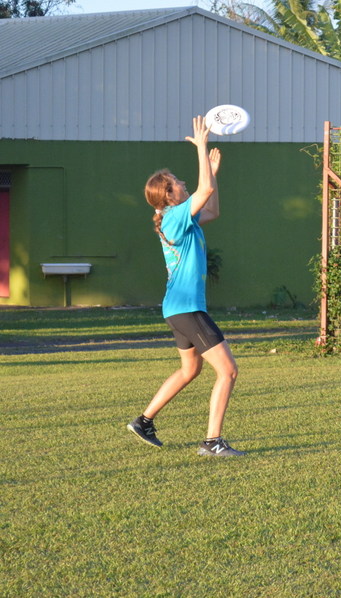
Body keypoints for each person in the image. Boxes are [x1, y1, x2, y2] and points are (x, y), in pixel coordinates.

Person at [127, 115, 243, 456]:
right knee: (228, 371)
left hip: (178, 309)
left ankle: (144, 421)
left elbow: (213, 208)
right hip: (187, 309)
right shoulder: (175, 215)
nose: (183, 183)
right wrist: (202, 148)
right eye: (177, 182)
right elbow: (203, 191)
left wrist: (213, 174)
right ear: (168, 194)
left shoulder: (181, 218)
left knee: (190, 369)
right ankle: (212, 442)